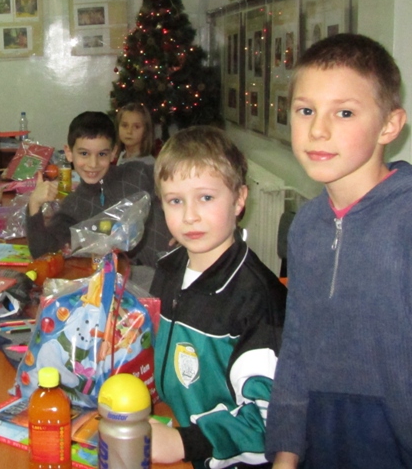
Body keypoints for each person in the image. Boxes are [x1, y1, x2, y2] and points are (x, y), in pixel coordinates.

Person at [265, 34, 410, 468]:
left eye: (344, 112)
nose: (318, 130)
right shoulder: (307, 227)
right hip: (322, 445)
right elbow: (296, 349)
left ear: (389, 125)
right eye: (305, 110)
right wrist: (285, 456)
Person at [148, 125, 286, 468]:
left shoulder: (257, 298)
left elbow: (269, 423)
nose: (189, 216)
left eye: (206, 198)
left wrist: (184, 442)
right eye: (175, 201)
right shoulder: (169, 269)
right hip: (175, 432)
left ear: (239, 199)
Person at [26, 111, 170, 269]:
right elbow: (43, 253)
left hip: (180, 266)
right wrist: (34, 205)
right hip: (135, 279)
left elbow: (181, 180)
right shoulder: (73, 207)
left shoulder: (139, 173)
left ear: (113, 153)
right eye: (84, 154)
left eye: (102, 154)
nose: (93, 164)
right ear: (69, 153)